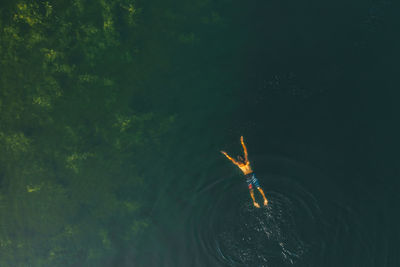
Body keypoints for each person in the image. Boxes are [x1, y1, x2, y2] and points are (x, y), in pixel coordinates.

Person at [221, 136, 268, 208]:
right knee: (251, 190)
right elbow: (231, 159)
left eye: (240, 157)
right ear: (239, 159)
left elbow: (245, 151)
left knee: (258, 187)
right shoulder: (238, 164)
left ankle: (265, 199)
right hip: (248, 177)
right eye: (239, 158)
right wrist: (226, 154)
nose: (239, 158)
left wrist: (242, 142)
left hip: (251, 175)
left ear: (242, 158)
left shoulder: (246, 161)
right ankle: (254, 202)